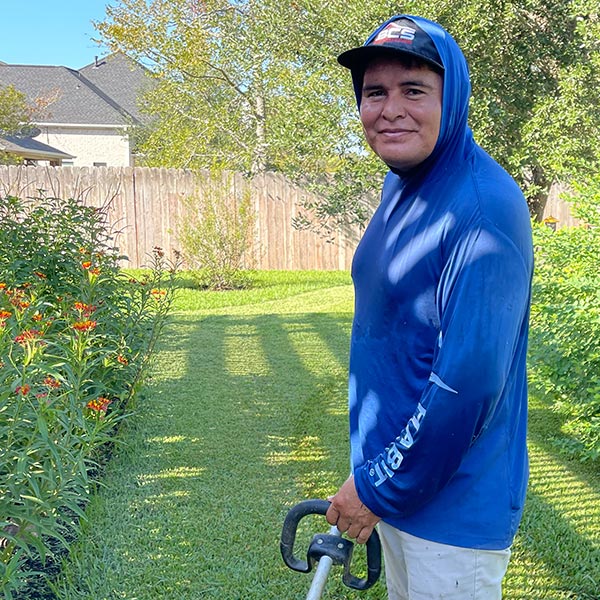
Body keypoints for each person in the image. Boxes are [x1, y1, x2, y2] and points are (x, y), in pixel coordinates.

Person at [325, 14, 533, 600]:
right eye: (374, 92)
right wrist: (374, 476)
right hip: (396, 483)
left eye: (414, 90)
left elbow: (465, 384)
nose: (390, 109)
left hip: (453, 511)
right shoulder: (404, 185)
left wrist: (377, 490)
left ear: (454, 97)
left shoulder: (482, 209)